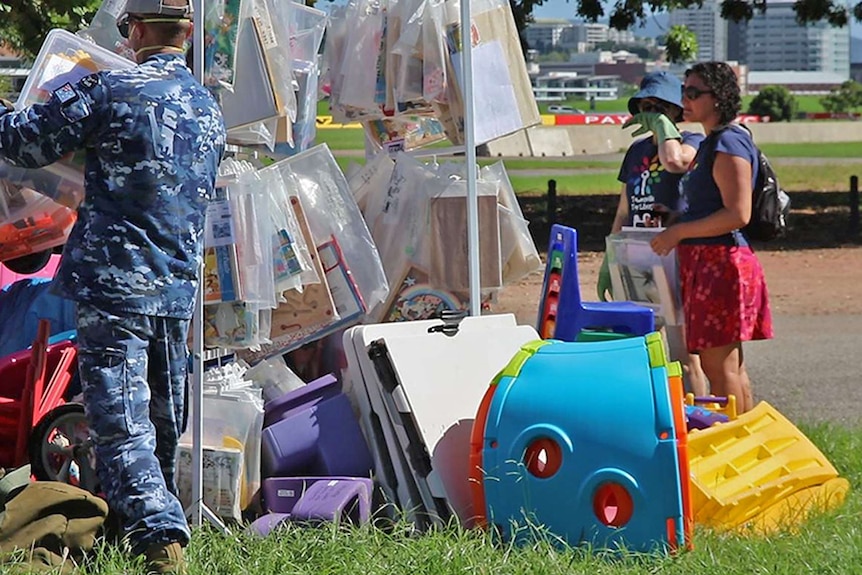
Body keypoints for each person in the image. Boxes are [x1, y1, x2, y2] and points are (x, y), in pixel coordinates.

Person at [0, 0, 226, 572]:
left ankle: (159, 540)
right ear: (187, 31)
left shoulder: (111, 89)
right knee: (163, 417)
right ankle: (138, 525)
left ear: (138, 29)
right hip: (177, 287)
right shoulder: (206, 106)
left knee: (121, 417)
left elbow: (24, 143)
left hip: (116, 284)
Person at [649, 61, 773, 414]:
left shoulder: (729, 142)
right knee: (726, 364)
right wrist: (676, 217)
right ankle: (744, 438)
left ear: (718, 98)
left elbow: (738, 213)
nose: (684, 99)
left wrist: (678, 231)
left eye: (693, 92)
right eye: (683, 91)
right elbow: (712, 205)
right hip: (710, 262)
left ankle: (735, 441)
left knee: (720, 366)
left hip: (723, 263)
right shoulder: (711, 141)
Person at [597, 70, 708, 396]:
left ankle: (696, 414)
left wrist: (663, 128)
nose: (648, 112)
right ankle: (657, 413)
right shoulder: (635, 151)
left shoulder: (693, 142)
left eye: (658, 106)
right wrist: (610, 259)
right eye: (644, 105)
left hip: (674, 252)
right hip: (636, 252)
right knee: (642, 348)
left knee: (684, 353)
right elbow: (623, 209)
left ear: (676, 109)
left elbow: (676, 162)